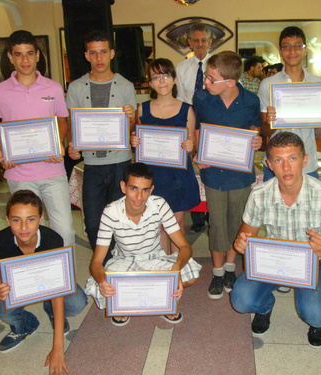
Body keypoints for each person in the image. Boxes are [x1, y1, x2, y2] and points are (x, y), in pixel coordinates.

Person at [230, 132, 321, 347]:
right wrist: (242, 245)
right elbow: (246, 235)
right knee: (241, 300)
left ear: (305, 160)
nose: (286, 167)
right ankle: (265, 307)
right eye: (278, 160)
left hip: (312, 261)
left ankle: (317, 322)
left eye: (292, 158)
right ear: (269, 164)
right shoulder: (259, 194)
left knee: (318, 314)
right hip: (273, 260)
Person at [0, 30, 76, 248]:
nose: (25, 60)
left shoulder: (52, 87)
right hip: (19, 174)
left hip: (53, 171)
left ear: (37, 55)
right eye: (18, 54)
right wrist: (3, 148)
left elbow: (62, 119)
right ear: (10, 57)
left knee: (64, 230)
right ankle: (33, 279)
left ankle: (66, 279)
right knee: (26, 233)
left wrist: (59, 144)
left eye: (29, 53)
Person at [85, 162, 201, 325]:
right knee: (99, 287)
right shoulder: (111, 211)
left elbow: (185, 247)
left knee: (192, 273)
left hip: (154, 257)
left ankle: (150, 298)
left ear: (151, 190)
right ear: (123, 187)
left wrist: (176, 269)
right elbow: (96, 262)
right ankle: (154, 297)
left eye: (145, 190)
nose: (139, 197)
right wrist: (102, 281)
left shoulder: (159, 204)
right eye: (134, 189)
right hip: (124, 260)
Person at [0, 190, 87, 373]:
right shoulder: (0, 240)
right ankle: (25, 325)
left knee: (77, 301)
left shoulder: (53, 239)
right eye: (16, 220)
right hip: (19, 290)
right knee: (3, 308)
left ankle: (52, 313)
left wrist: (58, 347)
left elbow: (59, 291)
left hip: (49, 286)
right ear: (7, 220)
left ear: (41, 219)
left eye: (31, 219)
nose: (23, 227)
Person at [193, 51, 262, 299]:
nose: (206, 83)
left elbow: (255, 132)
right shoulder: (202, 98)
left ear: (230, 82)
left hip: (240, 174)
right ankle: (218, 271)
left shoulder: (251, 101)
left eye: (211, 79)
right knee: (217, 224)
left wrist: (257, 142)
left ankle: (231, 267)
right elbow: (199, 130)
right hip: (213, 175)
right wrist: (199, 153)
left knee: (237, 223)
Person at [67, 30, 137, 251]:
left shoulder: (125, 86)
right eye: (93, 53)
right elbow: (73, 125)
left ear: (112, 53)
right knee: (93, 221)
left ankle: (118, 263)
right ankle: (103, 265)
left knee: (120, 219)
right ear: (86, 55)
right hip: (92, 165)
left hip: (120, 162)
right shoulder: (76, 87)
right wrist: (73, 146)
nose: (99, 58)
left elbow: (133, 130)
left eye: (103, 52)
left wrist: (132, 118)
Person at [130, 58, 200, 253]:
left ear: (174, 79)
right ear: (150, 83)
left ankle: (178, 266)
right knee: (158, 223)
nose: (162, 81)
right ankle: (164, 268)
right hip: (153, 176)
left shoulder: (187, 109)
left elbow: (192, 146)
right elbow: (139, 141)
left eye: (166, 75)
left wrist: (190, 145)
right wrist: (134, 142)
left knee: (177, 223)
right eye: (156, 77)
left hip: (178, 176)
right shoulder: (143, 108)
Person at [259, 26, 321, 182]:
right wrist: (270, 121)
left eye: (297, 46)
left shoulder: (319, 85)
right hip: (276, 163)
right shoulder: (268, 84)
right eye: (286, 46)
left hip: (306, 164)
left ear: (305, 50)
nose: (292, 51)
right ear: (280, 52)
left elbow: (320, 133)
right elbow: (266, 131)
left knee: (307, 207)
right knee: (273, 206)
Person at [176, 22, 213, 234]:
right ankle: (197, 215)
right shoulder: (181, 68)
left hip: (212, 122)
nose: (199, 44)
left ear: (210, 42)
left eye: (203, 40)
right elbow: (182, 99)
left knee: (210, 165)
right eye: (195, 40)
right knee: (191, 169)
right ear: (190, 42)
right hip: (191, 122)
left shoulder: (218, 64)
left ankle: (212, 214)